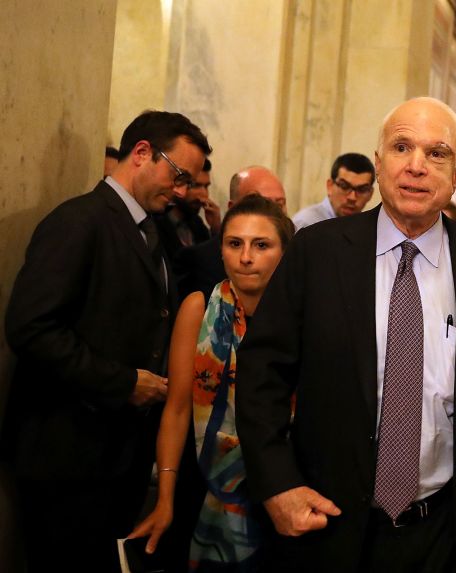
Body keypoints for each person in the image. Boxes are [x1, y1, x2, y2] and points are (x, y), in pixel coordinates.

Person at [235, 96, 456, 572]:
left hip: (444, 526)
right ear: (380, 164)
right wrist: (278, 484)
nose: (417, 166)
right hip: (327, 520)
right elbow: (261, 375)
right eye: (402, 148)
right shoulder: (318, 252)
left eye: (436, 153)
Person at [3, 110, 211, 572]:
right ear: (141, 153)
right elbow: (30, 326)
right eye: (177, 175)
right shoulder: (79, 221)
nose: (181, 191)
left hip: (114, 459)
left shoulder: (150, 228)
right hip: (66, 456)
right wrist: (123, 383)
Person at [128, 194, 294, 571]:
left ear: (285, 253)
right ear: (221, 250)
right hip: (204, 481)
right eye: (234, 243)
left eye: (261, 245)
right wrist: (165, 498)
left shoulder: (303, 315)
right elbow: (177, 408)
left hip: (283, 485)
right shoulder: (199, 307)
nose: (246, 257)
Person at [174, 165, 288, 300]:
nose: (246, 257)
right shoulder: (198, 265)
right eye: (235, 244)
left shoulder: (297, 271)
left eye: (279, 205)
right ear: (232, 208)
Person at [154, 158, 218, 265]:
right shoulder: (156, 224)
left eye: (206, 186)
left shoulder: (196, 223)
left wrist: (216, 229)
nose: (204, 194)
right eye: (195, 185)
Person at [291, 152, 375, 230]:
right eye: (344, 186)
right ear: (330, 186)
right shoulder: (307, 223)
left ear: (371, 194)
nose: (352, 197)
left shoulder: (368, 229)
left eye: (362, 189)